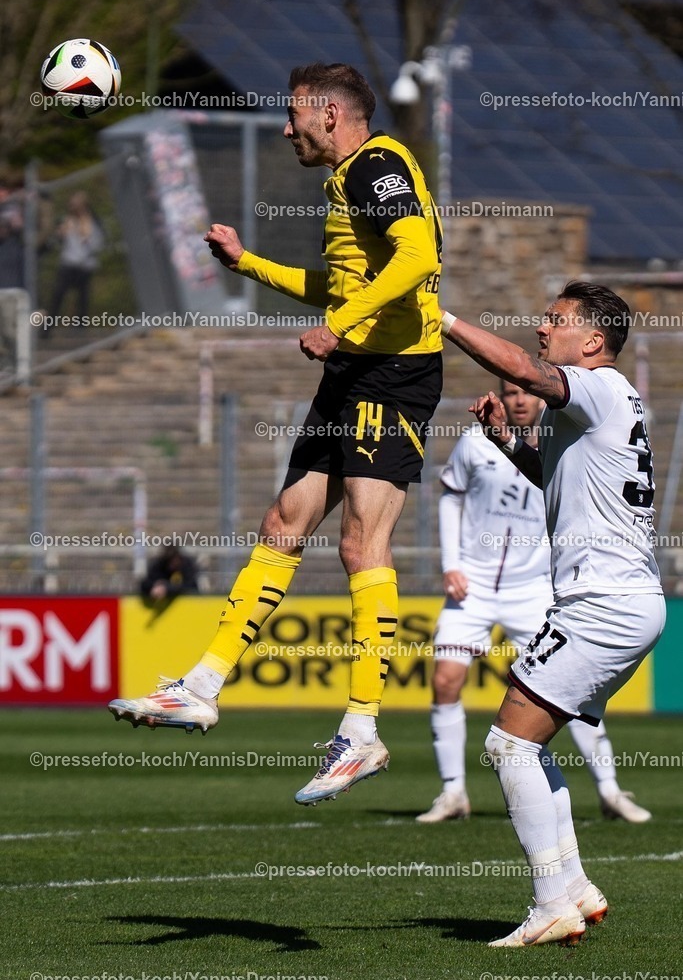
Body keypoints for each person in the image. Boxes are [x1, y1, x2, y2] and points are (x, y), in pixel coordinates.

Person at [109, 62, 444, 806]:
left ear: (331, 114)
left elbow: (418, 258)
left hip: (393, 373)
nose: (287, 128)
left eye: (294, 115)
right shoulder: (348, 178)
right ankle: (201, 686)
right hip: (354, 369)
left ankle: (361, 730)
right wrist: (247, 265)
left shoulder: (378, 165)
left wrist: (340, 326)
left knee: (360, 544)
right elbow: (342, 286)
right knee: (283, 524)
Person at [439, 280, 665, 946]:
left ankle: (550, 902)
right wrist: (508, 442)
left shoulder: (596, 386)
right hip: (615, 601)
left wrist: (440, 317)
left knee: (508, 745)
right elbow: (557, 479)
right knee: (525, 746)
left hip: (604, 603)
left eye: (555, 319)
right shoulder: (605, 403)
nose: (542, 328)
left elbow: (520, 368)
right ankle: (572, 889)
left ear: (593, 340)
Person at [417, 379, 651, 825]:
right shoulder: (475, 442)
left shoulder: (564, 440)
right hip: (474, 585)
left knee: (572, 689)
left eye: (526, 392)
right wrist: (451, 564)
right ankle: (452, 793)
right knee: (445, 680)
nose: (519, 399)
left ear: (542, 398)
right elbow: (451, 496)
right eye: (510, 392)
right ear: (501, 398)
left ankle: (609, 790)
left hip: (534, 589)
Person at [48, 191, 103, 323]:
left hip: (85, 265)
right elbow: (55, 242)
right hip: (69, 263)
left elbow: (98, 244)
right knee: (58, 294)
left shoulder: (91, 222)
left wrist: (86, 239)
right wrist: (59, 235)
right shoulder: (67, 221)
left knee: (83, 298)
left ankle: (80, 327)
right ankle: (48, 325)